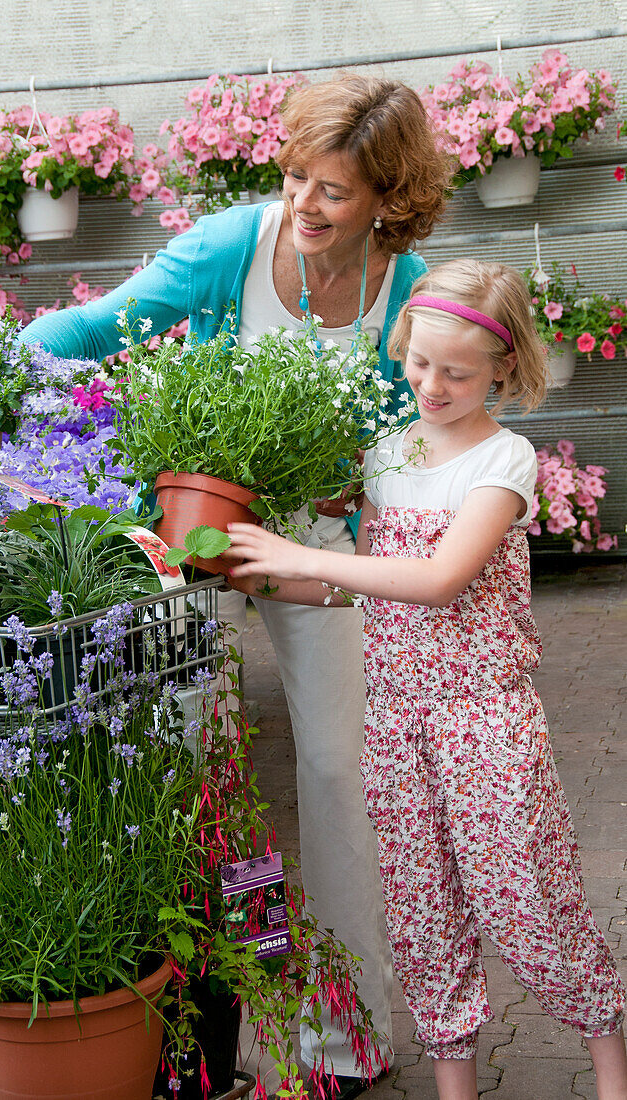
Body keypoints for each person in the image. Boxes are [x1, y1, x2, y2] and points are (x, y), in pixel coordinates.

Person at [18, 74, 452, 1091]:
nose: (303, 203)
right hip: (192, 537)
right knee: (205, 778)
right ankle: (225, 1023)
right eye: (295, 174)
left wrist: (339, 552)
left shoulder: (407, 285)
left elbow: (403, 449)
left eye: (333, 191)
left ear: (386, 197)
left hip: (314, 548)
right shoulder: (228, 247)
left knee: (340, 772)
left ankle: (346, 1035)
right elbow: (70, 335)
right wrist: (52, 447)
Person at [226, 258, 627, 1100]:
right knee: (422, 912)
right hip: (396, 723)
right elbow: (368, 580)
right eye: (418, 362)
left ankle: (609, 1072)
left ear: (504, 368)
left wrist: (299, 550)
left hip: (483, 720)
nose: (431, 383)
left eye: (457, 370)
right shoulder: (385, 452)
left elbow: (439, 578)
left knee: (531, 901)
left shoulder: (501, 461)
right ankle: (455, 1088)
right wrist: (261, 576)